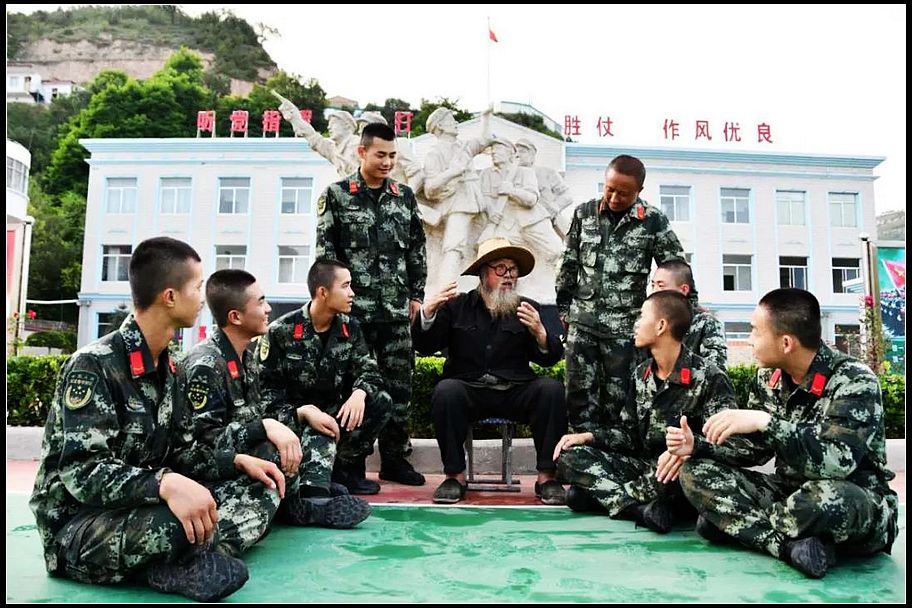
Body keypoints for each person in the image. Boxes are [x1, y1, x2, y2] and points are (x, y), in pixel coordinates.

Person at [29, 237, 283, 602]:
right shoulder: (94, 364)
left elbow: (182, 452)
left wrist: (236, 461)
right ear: (170, 297)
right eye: (196, 287)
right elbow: (82, 472)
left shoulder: (171, 367)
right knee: (180, 522)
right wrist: (164, 484)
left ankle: (190, 554)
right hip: (80, 525)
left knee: (261, 485)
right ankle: (192, 551)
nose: (202, 298)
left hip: (142, 506)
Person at [672, 288, 899, 578]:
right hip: (788, 493)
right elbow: (753, 451)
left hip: (850, 497)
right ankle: (789, 546)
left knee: (827, 497)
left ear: (786, 343)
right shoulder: (767, 378)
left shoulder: (854, 381)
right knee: (695, 471)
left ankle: (740, 526)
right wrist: (698, 446)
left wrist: (767, 423)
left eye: (755, 331)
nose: (750, 340)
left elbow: (837, 463)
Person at [185, 269, 371, 528]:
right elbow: (202, 443)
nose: (268, 309)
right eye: (260, 302)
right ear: (235, 317)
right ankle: (301, 502)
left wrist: (300, 413)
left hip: (246, 452)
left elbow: (262, 411)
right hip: (216, 471)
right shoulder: (206, 365)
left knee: (317, 426)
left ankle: (310, 494)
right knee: (273, 453)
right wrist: (264, 428)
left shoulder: (245, 359)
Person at [554, 290, 750, 532]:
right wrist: (589, 437)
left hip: (679, 473)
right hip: (644, 467)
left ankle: (608, 497)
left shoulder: (709, 377)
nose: (636, 324)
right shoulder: (642, 374)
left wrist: (691, 450)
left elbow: (730, 445)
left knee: (684, 476)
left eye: (642, 316)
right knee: (571, 456)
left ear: (661, 326)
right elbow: (628, 435)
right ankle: (636, 508)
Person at [412, 238, 567, 505]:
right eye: (501, 268)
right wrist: (427, 313)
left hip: (514, 391)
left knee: (551, 390)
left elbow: (549, 359)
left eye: (513, 269)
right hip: (469, 390)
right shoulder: (456, 306)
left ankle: (547, 478)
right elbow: (425, 346)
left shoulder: (527, 307)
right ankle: (454, 477)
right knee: (446, 391)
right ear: (483, 273)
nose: (509, 275)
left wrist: (540, 333)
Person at [315, 122, 428, 487]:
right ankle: (351, 464)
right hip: (354, 314)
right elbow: (326, 256)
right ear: (361, 152)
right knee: (355, 389)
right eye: (381, 155)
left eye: (393, 156)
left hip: (395, 312)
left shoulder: (403, 197)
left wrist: (416, 295)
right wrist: (333, 303)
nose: (388, 162)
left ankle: (395, 459)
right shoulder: (337, 196)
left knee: (399, 387)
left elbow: (416, 249)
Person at [556, 154, 684, 463]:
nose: (614, 198)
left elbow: (675, 269)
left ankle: (616, 466)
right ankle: (583, 466)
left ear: (639, 190)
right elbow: (568, 266)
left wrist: (678, 312)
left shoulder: (653, 221)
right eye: (609, 189)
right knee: (578, 399)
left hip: (626, 334)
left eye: (623, 193)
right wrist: (564, 312)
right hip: (582, 328)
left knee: (620, 404)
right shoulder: (584, 213)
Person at [259, 259, 393, 495]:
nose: (352, 293)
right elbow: (264, 393)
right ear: (323, 292)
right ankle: (312, 477)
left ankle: (344, 469)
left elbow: (369, 371)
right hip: (295, 419)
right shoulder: (281, 331)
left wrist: (360, 393)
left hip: (332, 416)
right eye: (345, 286)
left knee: (380, 400)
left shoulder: (350, 328)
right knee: (314, 484)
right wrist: (301, 413)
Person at [422, 106, 494, 287]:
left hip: (476, 202)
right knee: (454, 247)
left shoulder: (463, 146)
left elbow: (485, 140)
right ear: (440, 126)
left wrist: (485, 116)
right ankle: (446, 289)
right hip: (457, 205)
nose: (455, 123)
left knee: (481, 243)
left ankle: (472, 284)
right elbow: (430, 188)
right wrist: (453, 172)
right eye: (450, 120)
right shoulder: (435, 153)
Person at [478, 138, 563, 269]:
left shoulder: (525, 172)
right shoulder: (487, 174)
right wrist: (491, 213)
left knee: (555, 251)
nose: (494, 153)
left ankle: (548, 275)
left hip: (532, 221)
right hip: (505, 225)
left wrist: (512, 191)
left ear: (510, 154)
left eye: (498, 150)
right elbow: (485, 197)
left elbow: (531, 200)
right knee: (491, 253)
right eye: (493, 150)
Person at [650, 260, 728, 370]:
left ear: (683, 289)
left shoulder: (707, 324)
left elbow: (716, 371)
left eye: (661, 286)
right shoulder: (651, 323)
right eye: (653, 285)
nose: (654, 291)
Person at [273, 90, 359, 177]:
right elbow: (314, 137)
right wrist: (295, 118)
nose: (329, 128)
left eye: (333, 124)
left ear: (347, 125)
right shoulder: (333, 149)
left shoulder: (358, 145)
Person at [514, 138, 575, 239]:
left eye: (522, 151)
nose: (518, 155)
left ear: (532, 155)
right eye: (516, 152)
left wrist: (554, 207)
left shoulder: (547, 172)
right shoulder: (511, 177)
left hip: (551, 221)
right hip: (522, 224)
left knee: (565, 245)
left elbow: (567, 195)